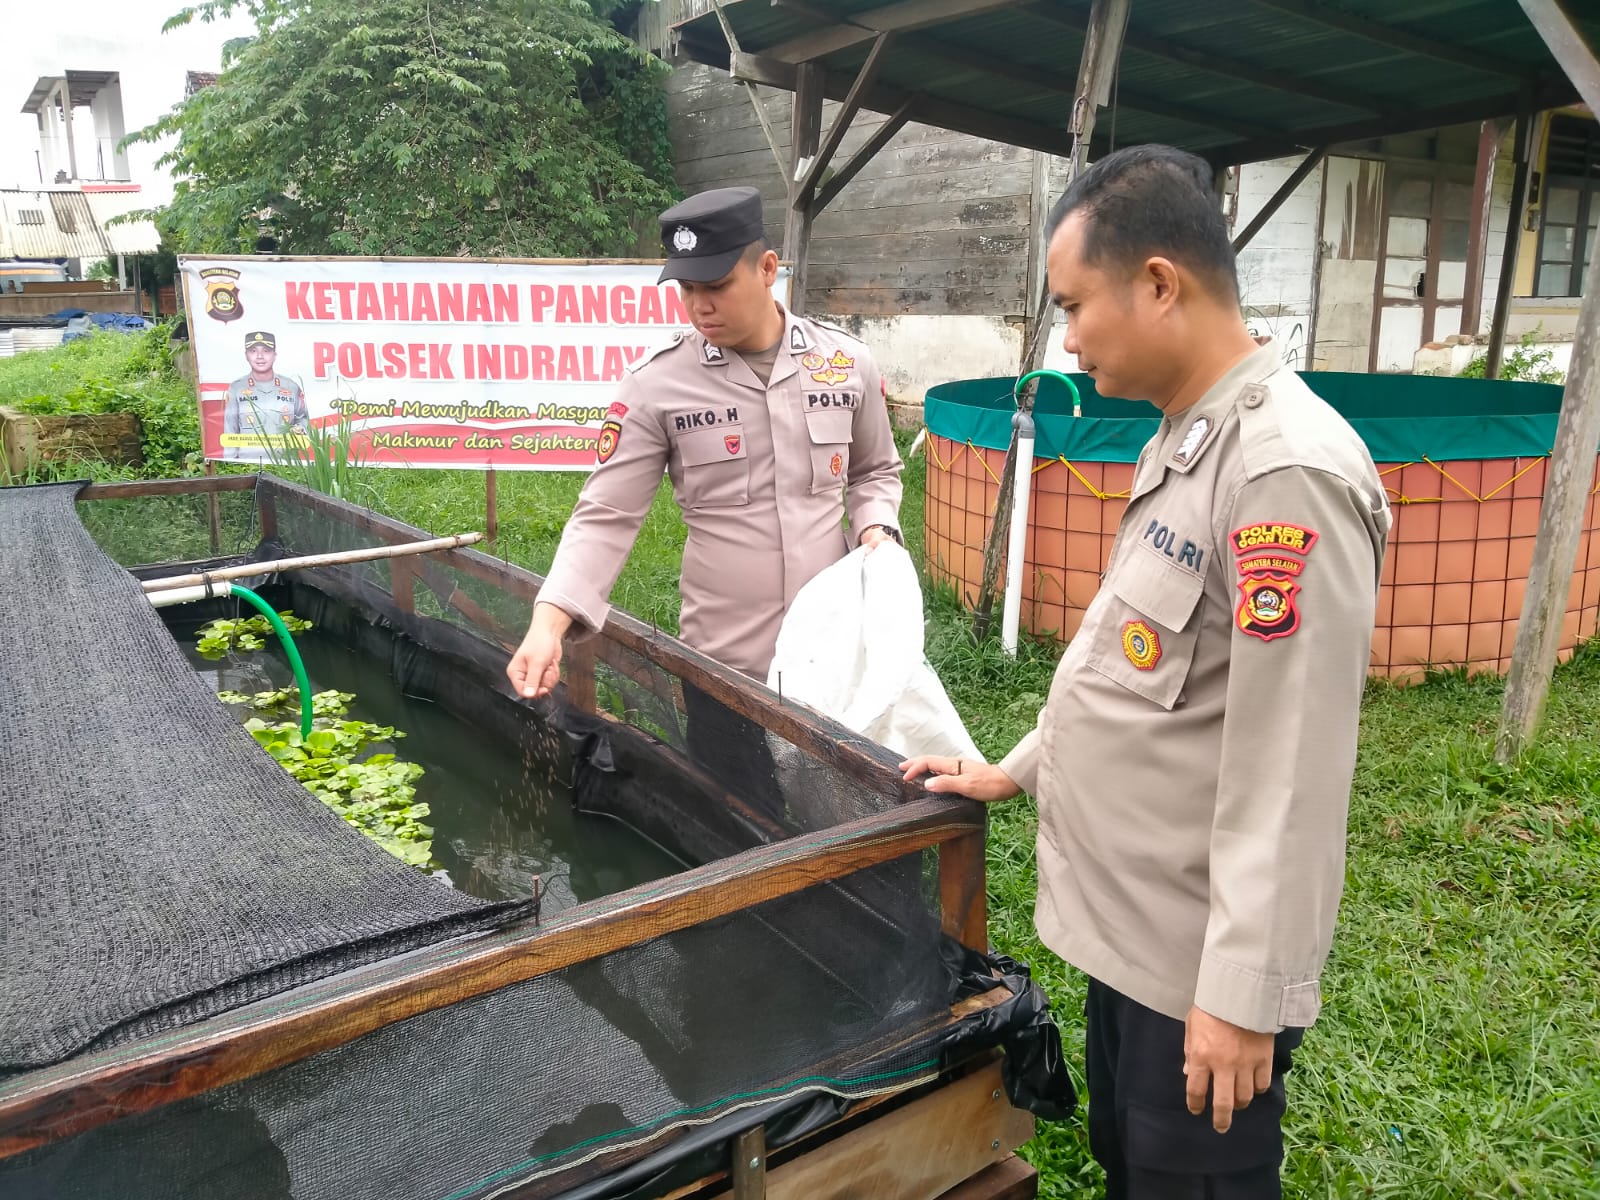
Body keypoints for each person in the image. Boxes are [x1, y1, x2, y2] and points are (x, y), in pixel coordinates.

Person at [901, 146, 1391, 1199]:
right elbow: (1124, 660)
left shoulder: (1281, 475)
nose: (1068, 339)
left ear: (1159, 283)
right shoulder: (1186, 438)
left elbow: (1291, 773)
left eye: (1075, 307)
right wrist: (1016, 767)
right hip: (1136, 941)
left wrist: (1241, 999)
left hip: (1197, 972)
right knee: (1133, 1168)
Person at [506, 186, 903, 803]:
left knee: (845, 817)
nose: (699, 305)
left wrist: (877, 527)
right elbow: (606, 515)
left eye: (715, 285)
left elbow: (875, 470)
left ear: (767, 269)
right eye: (686, 288)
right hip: (726, 667)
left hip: (835, 654)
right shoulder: (656, 384)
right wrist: (548, 621)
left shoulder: (847, 362)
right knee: (741, 823)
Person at [223, 331, 308, 448]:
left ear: (274, 355)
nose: (259, 356)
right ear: (246, 355)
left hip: (285, 462)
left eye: (266, 351)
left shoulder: (291, 387)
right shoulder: (236, 388)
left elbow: (303, 418)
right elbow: (230, 431)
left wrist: (301, 428)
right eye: (253, 351)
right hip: (247, 463)